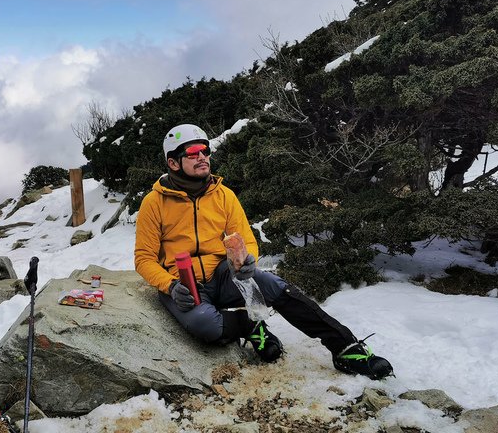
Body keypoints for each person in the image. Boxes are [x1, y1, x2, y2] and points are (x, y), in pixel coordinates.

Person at [134, 123, 393, 379]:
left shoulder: (224, 195)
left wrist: (247, 261)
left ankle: (345, 347)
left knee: (273, 284)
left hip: (222, 274)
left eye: (205, 150)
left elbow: (246, 239)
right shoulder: (154, 202)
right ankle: (251, 325)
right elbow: (143, 258)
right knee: (206, 325)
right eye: (192, 152)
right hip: (183, 283)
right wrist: (169, 285)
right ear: (173, 163)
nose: (202, 157)